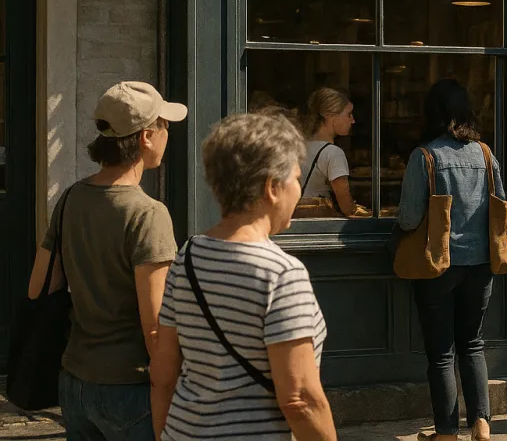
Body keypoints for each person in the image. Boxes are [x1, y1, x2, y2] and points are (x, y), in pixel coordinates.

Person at [150, 111, 334, 441]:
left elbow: (163, 375)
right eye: (295, 178)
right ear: (272, 188)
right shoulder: (282, 274)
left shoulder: (188, 256)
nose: (298, 188)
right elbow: (300, 400)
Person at [24, 82, 184, 441]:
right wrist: (170, 397)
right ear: (146, 136)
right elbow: (155, 325)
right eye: (164, 127)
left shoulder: (71, 199)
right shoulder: (148, 213)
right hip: (129, 387)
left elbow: (39, 288)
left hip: (75, 382)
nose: (166, 135)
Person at [397, 79, 507, 441]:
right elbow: (499, 203)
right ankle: (482, 424)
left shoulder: (426, 156)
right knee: (472, 344)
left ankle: (445, 433)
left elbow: (409, 218)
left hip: (438, 266)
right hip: (480, 265)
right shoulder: (486, 154)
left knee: (442, 353)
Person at [299, 87, 367, 217]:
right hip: (319, 225)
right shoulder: (333, 153)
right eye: (348, 114)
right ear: (330, 116)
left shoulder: (300, 146)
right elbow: (347, 206)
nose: (352, 120)